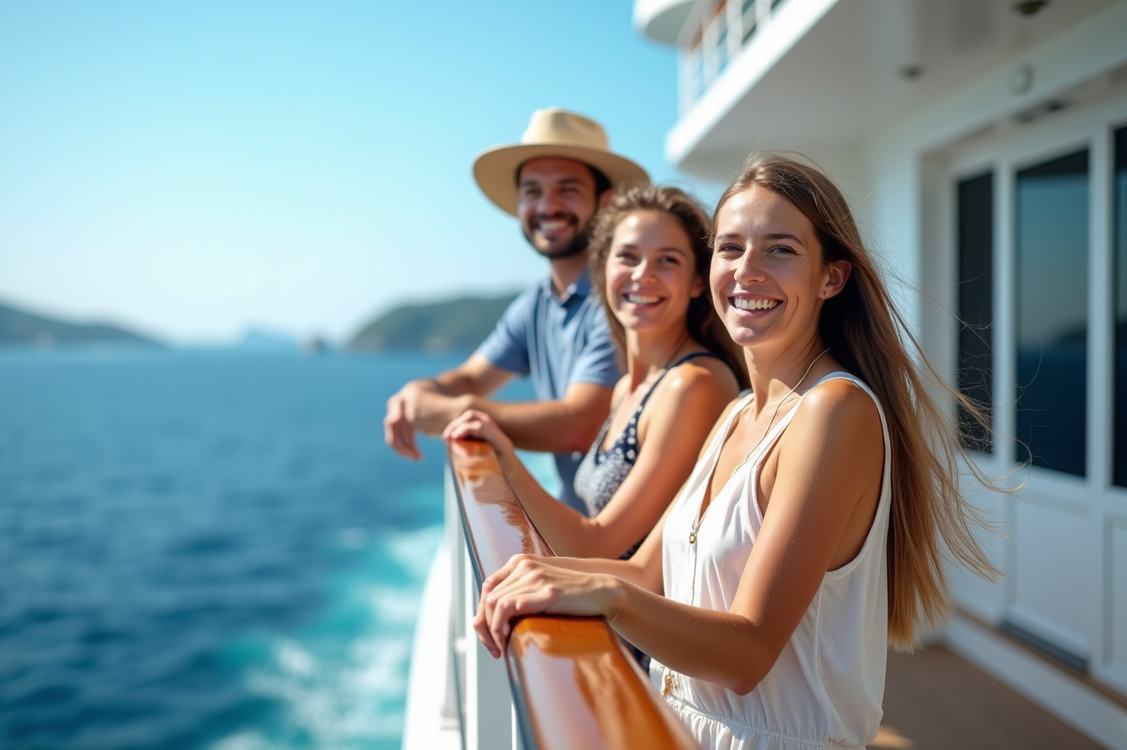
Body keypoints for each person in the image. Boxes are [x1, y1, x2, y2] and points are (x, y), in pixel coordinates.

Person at [467, 155, 1000, 750]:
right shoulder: (735, 413)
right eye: (730, 248)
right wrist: (535, 572)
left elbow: (747, 653)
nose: (747, 272)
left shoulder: (833, 413)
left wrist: (605, 596)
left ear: (832, 278)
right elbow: (648, 572)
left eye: (780, 250)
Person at [442, 184, 744, 566]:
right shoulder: (626, 389)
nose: (643, 274)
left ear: (698, 281)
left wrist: (506, 458)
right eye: (627, 257)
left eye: (667, 260)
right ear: (603, 269)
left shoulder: (693, 383)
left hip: (639, 621)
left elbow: (600, 544)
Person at [384, 108, 650, 513]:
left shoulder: (622, 298)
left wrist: (451, 412)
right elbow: (472, 376)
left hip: (630, 546)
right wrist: (418, 391)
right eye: (532, 192)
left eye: (567, 189)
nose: (548, 206)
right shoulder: (538, 302)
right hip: (578, 529)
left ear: (607, 202)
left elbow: (579, 424)